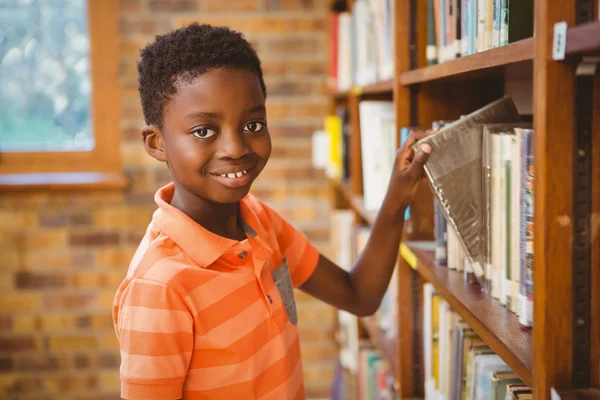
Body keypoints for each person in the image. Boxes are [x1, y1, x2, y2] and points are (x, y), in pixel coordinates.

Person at [112, 23, 431, 400]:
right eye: (203, 131)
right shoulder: (159, 286)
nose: (235, 147)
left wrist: (397, 197)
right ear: (156, 142)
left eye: (252, 124)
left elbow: (359, 295)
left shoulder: (259, 221)